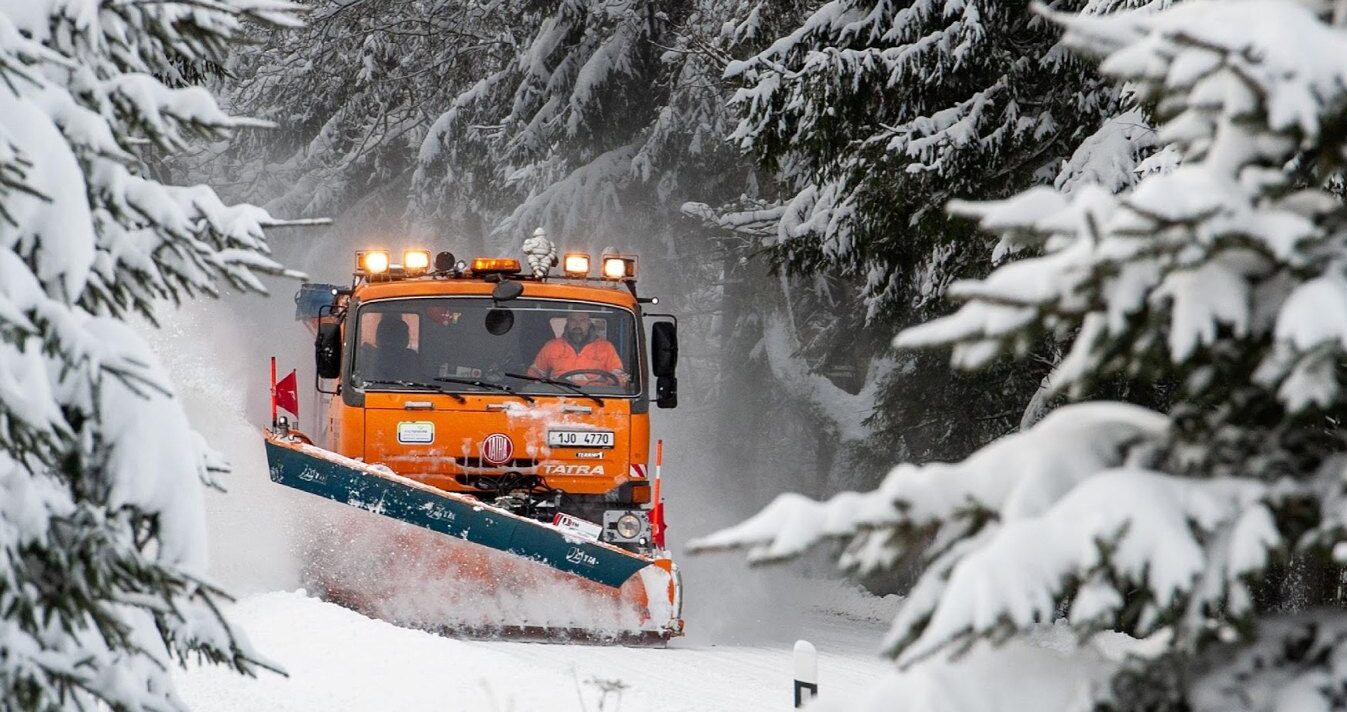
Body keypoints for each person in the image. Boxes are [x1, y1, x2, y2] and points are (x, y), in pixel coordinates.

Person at [528, 312, 628, 386]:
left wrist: (604, 385)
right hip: (559, 398)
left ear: (589, 323)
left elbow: (619, 377)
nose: (577, 324)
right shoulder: (552, 346)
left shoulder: (606, 347)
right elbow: (534, 374)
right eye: (573, 320)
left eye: (583, 320)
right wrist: (540, 389)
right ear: (567, 322)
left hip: (597, 397)